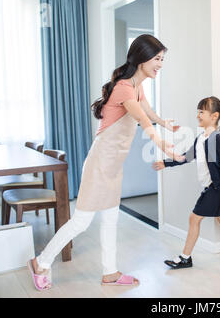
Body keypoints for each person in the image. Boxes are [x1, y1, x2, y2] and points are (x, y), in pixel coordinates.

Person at [27, 34, 183, 290]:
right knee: (81, 221)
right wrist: (160, 142)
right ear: (142, 57)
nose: (160, 64)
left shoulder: (137, 85)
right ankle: (41, 262)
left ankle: (109, 272)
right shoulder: (124, 87)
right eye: (157, 59)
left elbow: (148, 112)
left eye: (162, 59)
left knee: (111, 218)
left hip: (113, 166)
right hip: (100, 164)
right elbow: (142, 119)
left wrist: (164, 122)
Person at [153, 96, 220, 269]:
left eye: (202, 112)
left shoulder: (219, 138)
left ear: (214, 116)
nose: (198, 115)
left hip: (216, 188)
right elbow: (186, 157)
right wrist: (166, 162)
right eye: (198, 112)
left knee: (194, 218)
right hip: (213, 187)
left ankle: (185, 258)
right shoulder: (201, 138)